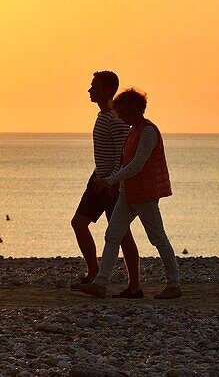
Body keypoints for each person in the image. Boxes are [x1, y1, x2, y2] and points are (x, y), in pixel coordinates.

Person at [76, 88, 182, 299]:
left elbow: (136, 165)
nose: (118, 115)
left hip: (144, 195)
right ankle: (100, 284)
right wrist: (117, 184)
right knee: (113, 235)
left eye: (121, 110)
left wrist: (110, 180)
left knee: (157, 237)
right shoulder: (133, 131)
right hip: (128, 193)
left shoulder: (148, 132)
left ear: (131, 109)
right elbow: (127, 163)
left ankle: (174, 284)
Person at [71, 71, 142, 296]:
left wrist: (112, 180)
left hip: (111, 182)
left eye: (94, 86)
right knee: (79, 222)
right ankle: (93, 273)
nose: (90, 90)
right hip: (98, 178)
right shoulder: (103, 115)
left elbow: (124, 152)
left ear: (108, 90)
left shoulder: (115, 118)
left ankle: (134, 285)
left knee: (121, 233)